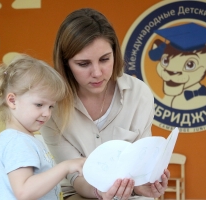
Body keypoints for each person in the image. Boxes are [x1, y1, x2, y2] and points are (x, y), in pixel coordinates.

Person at [40, 8, 170, 200]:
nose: (97, 73)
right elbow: (75, 177)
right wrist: (100, 192)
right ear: (66, 63)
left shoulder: (139, 94)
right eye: (83, 64)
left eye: (104, 59)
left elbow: (140, 166)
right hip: (80, 194)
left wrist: (144, 184)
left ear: (115, 54)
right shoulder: (50, 106)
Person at [0, 54, 86, 200]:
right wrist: (65, 167)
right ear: (13, 101)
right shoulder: (17, 142)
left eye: (51, 106)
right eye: (39, 104)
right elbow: (24, 191)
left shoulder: (25, 139)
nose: (47, 113)